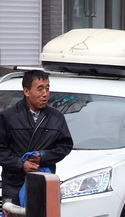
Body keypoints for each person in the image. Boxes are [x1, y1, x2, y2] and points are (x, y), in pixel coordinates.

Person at [0, 70, 73, 207]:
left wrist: (43, 156)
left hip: (43, 182)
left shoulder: (56, 117)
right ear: (27, 91)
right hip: (13, 184)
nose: (45, 94)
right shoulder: (8, 117)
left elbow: (65, 146)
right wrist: (21, 164)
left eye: (47, 88)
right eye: (40, 89)